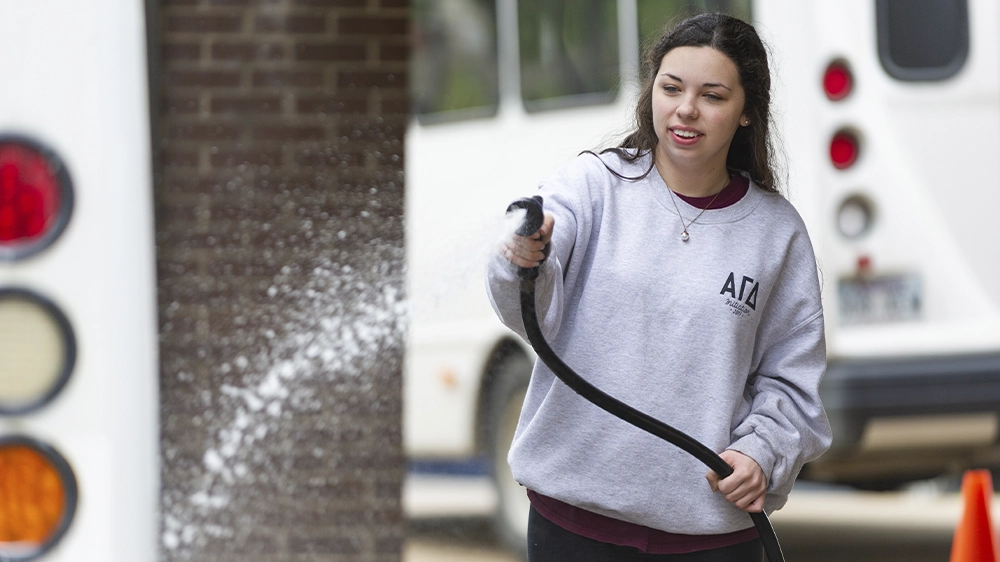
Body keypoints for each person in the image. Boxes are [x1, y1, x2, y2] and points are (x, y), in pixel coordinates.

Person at [485, 12, 832, 562]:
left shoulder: (775, 232)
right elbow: (527, 297)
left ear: (746, 113)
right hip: (573, 524)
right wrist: (526, 258)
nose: (686, 109)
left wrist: (762, 453)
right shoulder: (591, 186)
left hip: (712, 534)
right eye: (671, 89)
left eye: (713, 95)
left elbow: (793, 382)